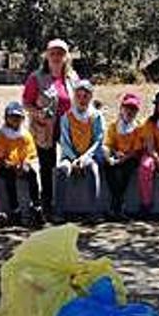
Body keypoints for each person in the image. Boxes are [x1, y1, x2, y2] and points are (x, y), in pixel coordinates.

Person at [22, 38, 79, 216]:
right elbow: (26, 102)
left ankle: (65, 203)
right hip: (44, 128)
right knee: (47, 167)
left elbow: (79, 99)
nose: (56, 57)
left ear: (66, 57)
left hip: (68, 128)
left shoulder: (72, 77)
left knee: (68, 163)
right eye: (52, 53)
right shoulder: (36, 78)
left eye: (60, 53)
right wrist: (38, 113)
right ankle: (47, 205)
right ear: (46, 55)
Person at [56, 79, 105, 221]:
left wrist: (84, 158)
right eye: (79, 96)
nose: (82, 99)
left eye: (86, 96)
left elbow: (98, 140)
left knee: (93, 169)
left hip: (89, 156)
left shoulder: (96, 116)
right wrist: (74, 159)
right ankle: (59, 211)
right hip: (69, 155)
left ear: (91, 97)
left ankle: (94, 211)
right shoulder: (66, 117)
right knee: (62, 170)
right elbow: (64, 141)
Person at [0, 101, 41, 226]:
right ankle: (14, 209)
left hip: (21, 164)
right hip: (6, 165)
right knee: (8, 178)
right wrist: (11, 165)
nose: (15, 120)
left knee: (32, 175)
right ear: (6, 118)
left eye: (18, 117)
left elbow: (30, 154)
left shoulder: (26, 135)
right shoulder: (2, 134)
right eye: (12, 117)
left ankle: (35, 204)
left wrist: (25, 164)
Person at [104, 92, 144, 220]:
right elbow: (109, 144)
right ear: (121, 109)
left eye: (133, 109)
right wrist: (114, 155)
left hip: (131, 158)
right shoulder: (113, 126)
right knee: (109, 168)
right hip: (118, 156)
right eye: (127, 108)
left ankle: (116, 205)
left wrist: (124, 158)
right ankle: (117, 204)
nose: (129, 112)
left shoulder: (138, 128)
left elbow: (137, 150)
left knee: (126, 170)